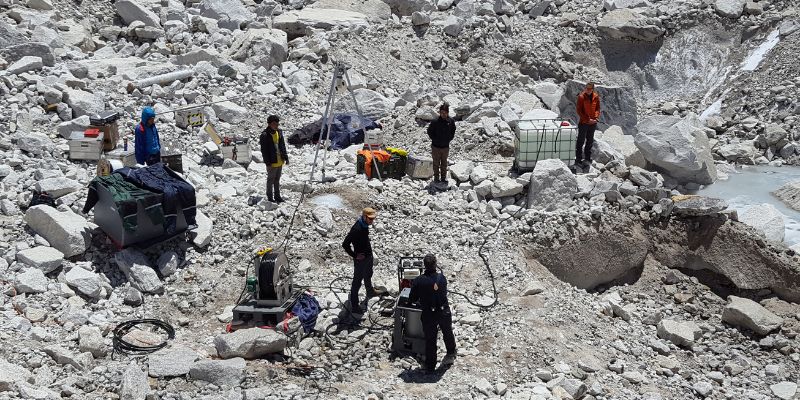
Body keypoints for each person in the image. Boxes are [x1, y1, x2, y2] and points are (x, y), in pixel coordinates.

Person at [409, 254, 457, 373]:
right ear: (435, 264)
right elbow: (442, 292)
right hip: (443, 311)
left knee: (430, 339)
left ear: (424, 265)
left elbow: (412, 299)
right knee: (447, 332)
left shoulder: (418, 280)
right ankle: (451, 352)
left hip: (429, 314)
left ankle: (430, 365)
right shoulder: (442, 278)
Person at [342, 207, 378, 314]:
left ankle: (370, 291)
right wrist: (355, 255)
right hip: (360, 260)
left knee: (368, 274)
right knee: (357, 282)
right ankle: (354, 305)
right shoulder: (356, 229)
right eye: (370, 219)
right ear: (364, 216)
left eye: (373, 219)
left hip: (368, 256)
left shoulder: (364, 225)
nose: (372, 221)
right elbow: (345, 244)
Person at [259, 115, 289, 203]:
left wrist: (286, 157)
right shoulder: (264, 135)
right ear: (269, 124)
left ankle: (277, 196)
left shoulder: (279, 132)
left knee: (277, 179)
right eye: (274, 124)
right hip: (272, 162)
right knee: (270, 180)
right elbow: (264, 151)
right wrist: (267, 164)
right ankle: (270, 197)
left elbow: (282, 145)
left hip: (279, 160)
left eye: (277, 124)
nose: (276, 126)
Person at [427, 103, 456, 183]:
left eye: (445, 113)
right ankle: (436, 178)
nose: (443, 114)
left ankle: (443, 178)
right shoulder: (435, 121)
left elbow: (453, 130)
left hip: (445, 147)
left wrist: (449, 139)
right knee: (436, 163)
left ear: (448, 113)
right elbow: (429, 131)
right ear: (439, 112)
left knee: (444, 163)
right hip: (436, 147)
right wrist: (435, 139)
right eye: (442, 112)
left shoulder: (451, 121)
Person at [575, 82, 601, 168]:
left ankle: (587, 158)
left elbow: (597, 108)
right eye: (587, 88)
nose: (588, 90)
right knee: (580, 141)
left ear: (593, 89)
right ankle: (578, 159)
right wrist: (587, 119)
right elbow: (579, 111)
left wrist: (596, 118)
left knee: (590, 141)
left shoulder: (596, 96)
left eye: (590, 89)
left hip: (592, 123)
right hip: (584, 122)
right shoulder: (581, 97)